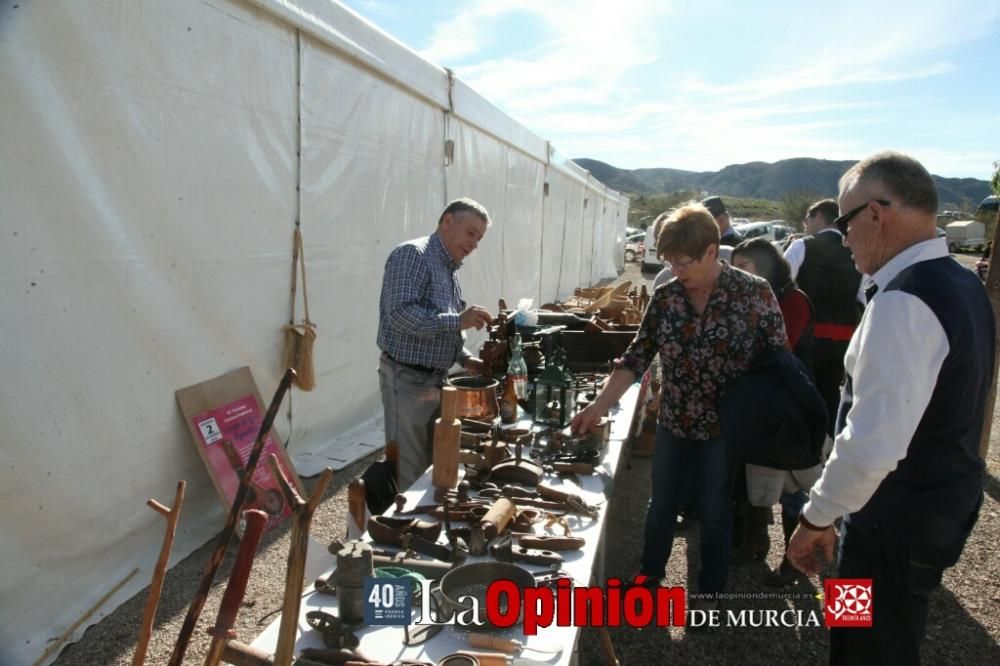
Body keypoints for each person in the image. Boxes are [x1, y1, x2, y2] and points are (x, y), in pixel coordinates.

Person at [787, 152, 994, 664]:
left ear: (875, 215)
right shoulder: (961, 282)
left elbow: (871, 444)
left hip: (889, 521)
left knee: (863, 649)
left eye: (844, 222)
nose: (844, 237)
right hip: (925, 509)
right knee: (882, 633)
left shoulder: (904, 301)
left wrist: (816, 518)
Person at [572, 203, 788, 607]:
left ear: (712, 252)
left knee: (715, 509)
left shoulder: (754, 293)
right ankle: (650, 574)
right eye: (668, 260)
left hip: (726, 428)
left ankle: (709, 591)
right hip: (674, 420)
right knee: (661, 504)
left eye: (683, 261)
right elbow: (636, 357)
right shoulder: (668, 296)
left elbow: (779, 359)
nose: (675, 269)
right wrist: (598, 406)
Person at [377, 198, 494, 490]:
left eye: (479, 238)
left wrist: (465, 359)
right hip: (407, 380)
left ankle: (420, 528)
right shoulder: (413, 255)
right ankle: (401, 530)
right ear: (447, 221)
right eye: (470, 233)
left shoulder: (448, 268)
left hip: (434, 382)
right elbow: (400, 315)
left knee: (432, 464)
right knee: (408, 468)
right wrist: (458, 320)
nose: (474, 243)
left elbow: (441, 328)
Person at [731, 239, 820, 584]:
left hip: (791, 406)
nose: (738, 274)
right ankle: (755, 541)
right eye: (734, 266)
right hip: (761, 404)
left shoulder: (794, 301)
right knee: (753, 472)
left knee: (793, 483)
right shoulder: (746, 298)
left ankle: (794, 560)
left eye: (746, 266)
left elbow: (779, 349)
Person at [783, 199, 863, 437]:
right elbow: (863, 298)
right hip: (843, 339)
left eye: (807, 218)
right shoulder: (855, 249)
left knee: (800, 391)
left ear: (818, 215)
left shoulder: (802, 246)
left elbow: (781, 286)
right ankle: (826, 443)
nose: (805, 224)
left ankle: (803, 449)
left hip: (805, 336)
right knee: (830, 392)